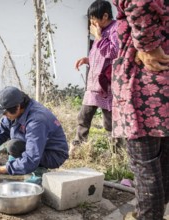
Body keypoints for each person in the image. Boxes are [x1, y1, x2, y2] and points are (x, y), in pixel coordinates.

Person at [112, 1, 169, 219]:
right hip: (163, 83)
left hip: (145, 85)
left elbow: (139, 1)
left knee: (146, 166)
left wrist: (148, 45)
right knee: (162, 163)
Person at [0, 86, 69, 183]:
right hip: (36, 147)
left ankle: (39, 172)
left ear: (18, 107)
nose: (4, 116)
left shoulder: (36, 121)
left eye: (5, 113)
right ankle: (17, 166)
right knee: (13, 145)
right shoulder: (15, 109)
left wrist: (2, 169)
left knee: (18, 152)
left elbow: (32, 157)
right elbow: (3, 129)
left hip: (53, 154)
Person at [70, 0, 119, 155]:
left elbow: (112, 53)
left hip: (107, 86)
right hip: (93, 86)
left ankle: (115, 152)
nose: (91, 22)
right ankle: (77, 147)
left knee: (109, 122)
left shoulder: (116, 29)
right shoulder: (101, 30)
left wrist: (98, 37)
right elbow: (100, 56)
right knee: (83, 117)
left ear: (105, 16)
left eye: (93, 18)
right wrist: (88, 60)